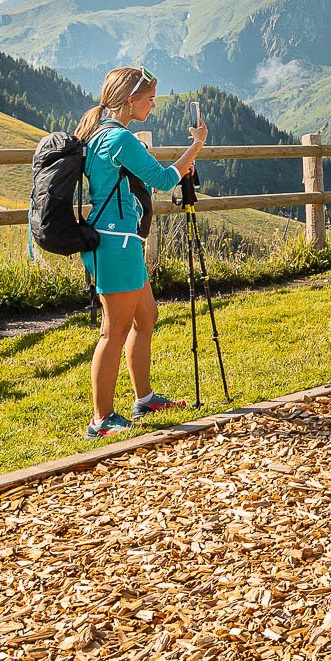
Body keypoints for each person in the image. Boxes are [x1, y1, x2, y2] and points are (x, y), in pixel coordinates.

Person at [75, 66, 207, 438]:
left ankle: (144, 399)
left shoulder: (103, 133)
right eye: (150, 98)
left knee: (146, 316)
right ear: (130, 100)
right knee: (113, 332)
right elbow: (163, 180)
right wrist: (196, 144)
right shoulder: (118, 139)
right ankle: (101, 420)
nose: (154, 104)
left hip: (120, 240)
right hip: (115, 243)